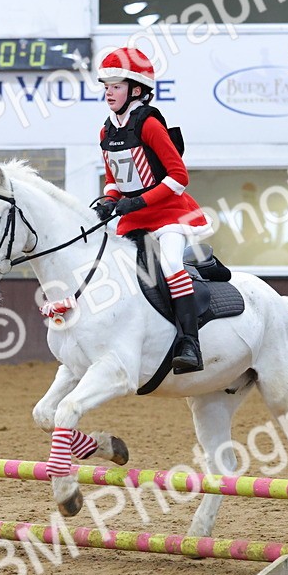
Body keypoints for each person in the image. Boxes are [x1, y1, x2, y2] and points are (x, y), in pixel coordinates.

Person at [92, 47, 211, 374]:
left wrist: (139, 201)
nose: (109, 93)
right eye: (106, 87)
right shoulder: (107, 131)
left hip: (168, 213)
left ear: (137, 89)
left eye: (115, 86)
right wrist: (109, 200)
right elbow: (114, 179)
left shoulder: (149, 124)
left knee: (171, 264)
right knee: (117, 270)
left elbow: (179, 177)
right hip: (133, 217)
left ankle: (190, 343)